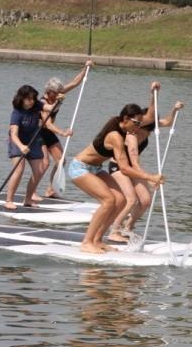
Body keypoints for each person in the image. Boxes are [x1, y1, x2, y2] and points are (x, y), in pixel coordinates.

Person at [68, 82, 164, 253]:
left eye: (139, 124)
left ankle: (97, 240)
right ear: (126, 119)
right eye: (136, 124)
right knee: (108, 200)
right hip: (80, 168)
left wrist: (153, 93)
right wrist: (150, 177)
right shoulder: (115, 136)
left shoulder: (126, 127)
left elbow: (150, 116)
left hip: (95, 169)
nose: (138, 127)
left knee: (120, 200)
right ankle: (86, 242)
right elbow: (125, 169)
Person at [107, 100, 184, 240]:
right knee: (131, 200)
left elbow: (167, 122)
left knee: (145, 200)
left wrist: (174, 109)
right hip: (119, 167)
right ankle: (114, 231)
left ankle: (128, 227)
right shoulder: (132, 136)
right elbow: (134, 163)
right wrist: (150, 179)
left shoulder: (150, 127)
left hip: (133, 168)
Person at [36, 59, 94, 200]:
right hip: (38, 134)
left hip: (49, 133)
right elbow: (48, 124)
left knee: (61, 161)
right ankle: (32, 191)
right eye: (56, 93)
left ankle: (50, 189)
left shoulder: (57, 94)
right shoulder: (42, 103)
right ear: (49, 92)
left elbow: (74, 83)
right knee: (45, 163)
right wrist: (63, 132)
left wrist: (85, 68)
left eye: (59, 92)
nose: (59, 95)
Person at [5, 85, 66, 210]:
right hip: (17, 143)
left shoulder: (36, 105)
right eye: (29, 99)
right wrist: (21, 146)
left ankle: (27, 200)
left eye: (33, 98)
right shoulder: (17, 113)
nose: (32, 101)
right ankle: (9, 200)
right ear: (21, 98)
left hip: (33, 142)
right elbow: (13, 134)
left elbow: (51, 108)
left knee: (39, 171)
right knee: (19, 169)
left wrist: (59, 101)